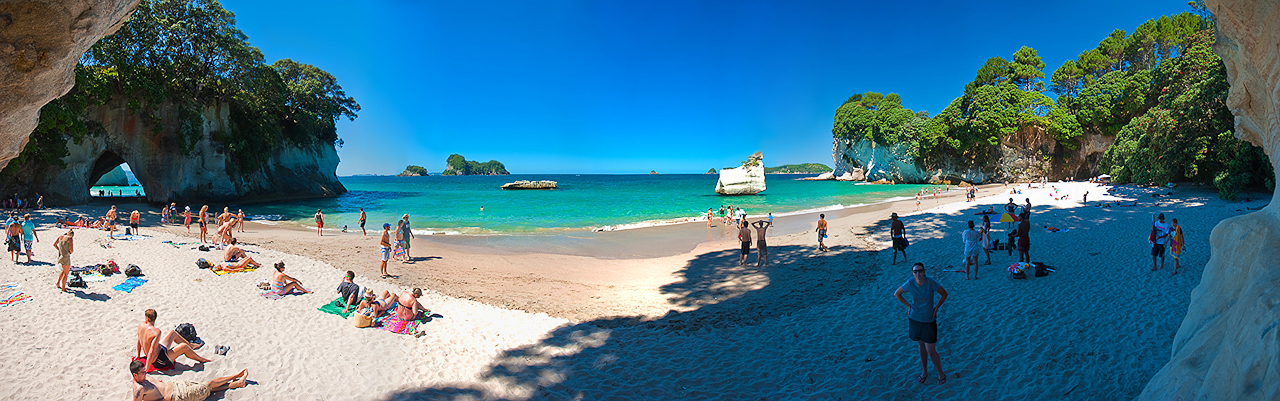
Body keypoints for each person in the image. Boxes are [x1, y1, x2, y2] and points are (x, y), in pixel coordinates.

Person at [893, 262, 948, 385]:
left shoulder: (930, 282)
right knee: (921, 346)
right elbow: (897, 294)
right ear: (913, 273)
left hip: (929, 320)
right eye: (915, 271)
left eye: (920, 271)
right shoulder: (910, 283)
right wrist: (909, 306)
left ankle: (941, 373)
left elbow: (944, 294)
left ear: (924, 272)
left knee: (931, 350)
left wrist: (936, 308)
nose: (917, 273)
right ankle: (924, 372)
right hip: (915, 319)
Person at [129, 360, 246, 401]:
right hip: (178, 396)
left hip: (177, 385)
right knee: (208, 385)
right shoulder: (139, 390)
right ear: (135, 375)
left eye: (145, 370)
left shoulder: (145, 377)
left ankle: (236, 384)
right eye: (142, 372)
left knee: (207, 388)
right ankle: (235, 376)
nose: (145, 373)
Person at [135, 309, 211, 371]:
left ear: (147, 318)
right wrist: (147, 368)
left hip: (159, 350)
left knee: (172, 333)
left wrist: (138, 355)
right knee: (183, 347)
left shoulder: (141, 325)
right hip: (159, 360)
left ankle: (191, 346)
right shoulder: (156, 332)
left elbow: (139, 340)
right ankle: (201, 359)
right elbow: (151, 350)